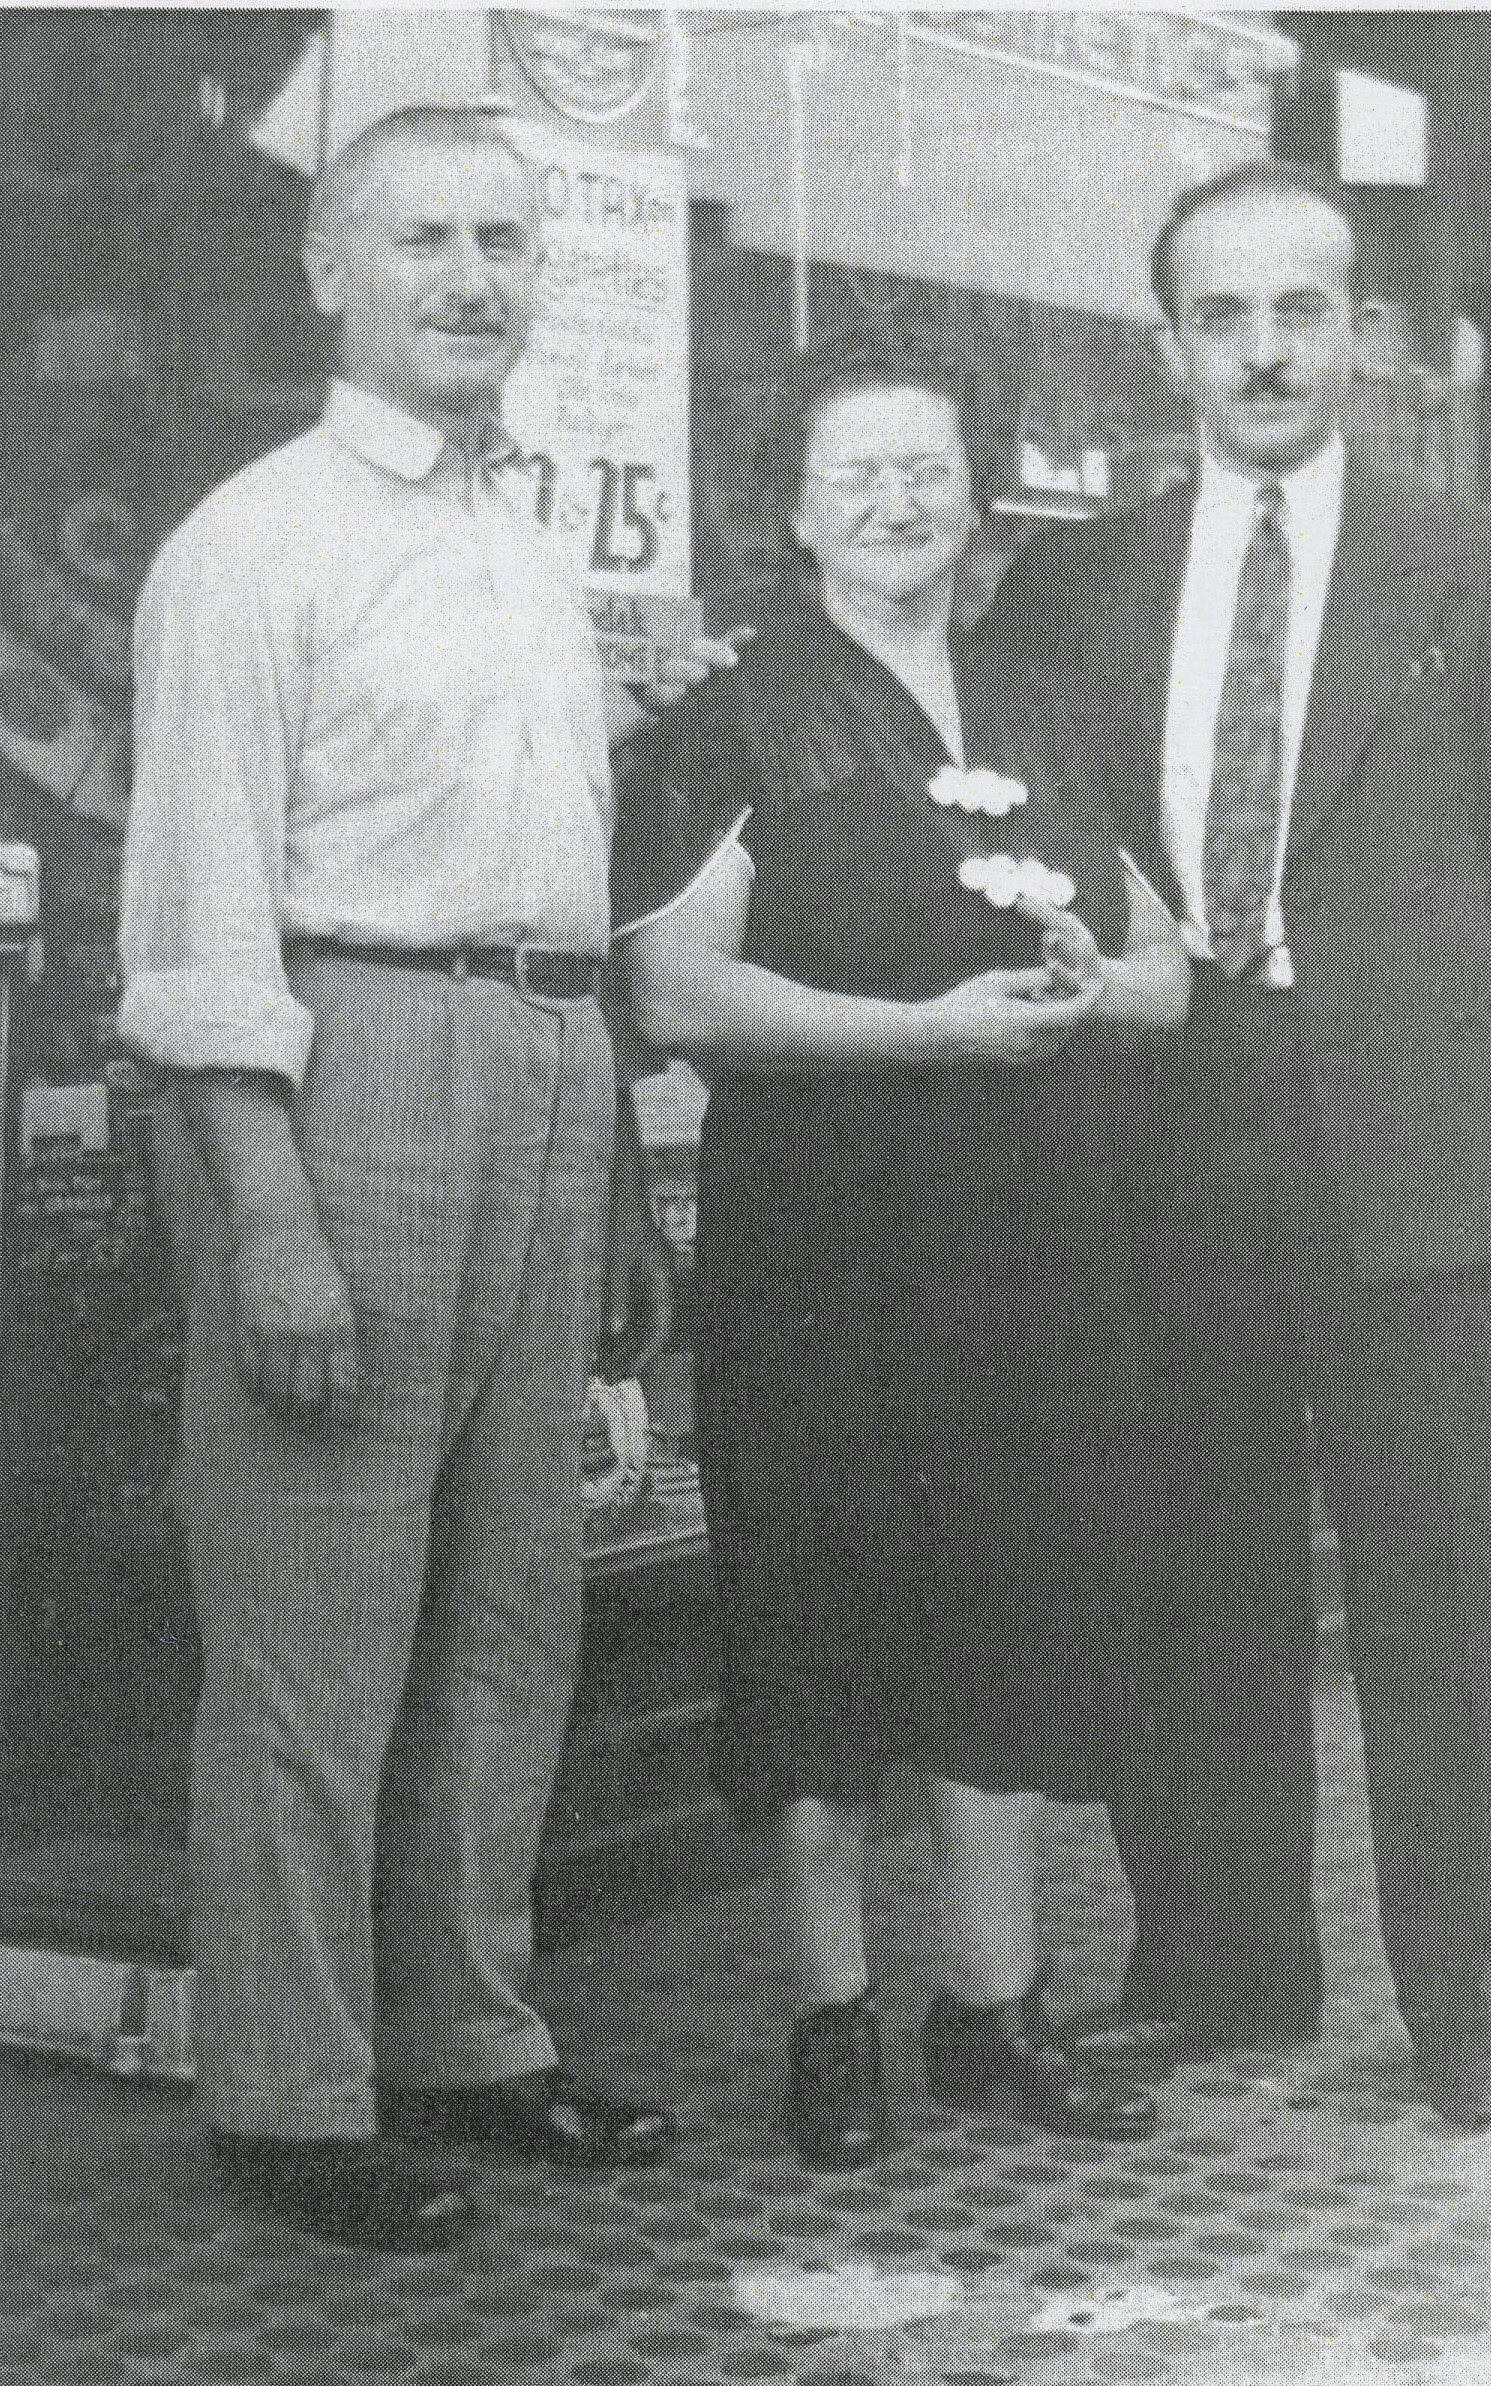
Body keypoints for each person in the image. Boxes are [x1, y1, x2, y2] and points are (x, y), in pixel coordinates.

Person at [117, 106, 720, 2250]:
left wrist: (629, 1168)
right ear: (327, 269)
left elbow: (545, 879)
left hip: (552, 1063)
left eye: (505, 242)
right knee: (312, 1623)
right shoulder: (252, 546)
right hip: (338, 1061)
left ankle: (470, 2036)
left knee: (510, 1607)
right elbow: (194, 917)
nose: (475, 278)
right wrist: (262, 1207)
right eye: (427, 240)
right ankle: (289, 2094)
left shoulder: (521, 546)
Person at [985, 162, 1491, 2127]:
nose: (1264, 349)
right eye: (1224, 316)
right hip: (1170, 1127)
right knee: (1198, 1573)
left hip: (1408, 1145)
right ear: (1169, 346)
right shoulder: (1080, 581)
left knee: (1433, 1586)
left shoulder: (1466, 560)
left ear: (1365, 338)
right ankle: (1226, 1967)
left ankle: (1472, 2003)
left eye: (1302, 311)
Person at [614, 342, 1189, 2168]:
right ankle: (829, 2020)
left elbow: (1166, 966)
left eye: (926, 465)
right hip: (823, 1238)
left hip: (1026, 1239)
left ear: (975, 491)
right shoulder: (738, 709)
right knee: (816, 1604)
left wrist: (1102, 987)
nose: (895, 498)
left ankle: (990, 2010)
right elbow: (673, 984)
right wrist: (923, 1035)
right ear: (790, 510)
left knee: (1007, 1599)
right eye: (854, 471)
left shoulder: (1038, 698)